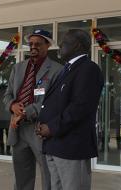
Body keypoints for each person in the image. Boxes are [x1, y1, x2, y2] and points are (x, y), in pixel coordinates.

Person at [36, 29, 104, 190]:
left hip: (72, 147)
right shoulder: (66, 69)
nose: (59, 45)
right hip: (54, 144)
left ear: (77, 45)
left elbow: (80, 107)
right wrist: (42, 122)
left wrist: (51, 127)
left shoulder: (88, 69)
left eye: (64, 43)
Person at [3, 29, 62, 190]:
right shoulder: (18, 68)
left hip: (39, 129)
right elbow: (7, 95)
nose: (33, 47)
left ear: (47, 45)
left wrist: (25, 112)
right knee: (21, 176)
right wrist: (12, 105)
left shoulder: (57, 70)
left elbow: (52, 101)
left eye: (38, 43)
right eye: (31, 44)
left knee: (48, 174)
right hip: (18, 129)